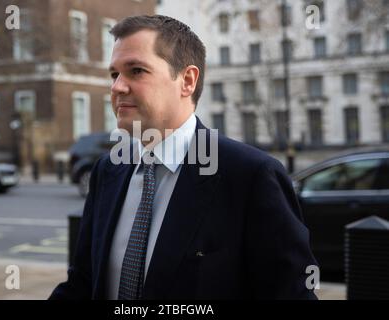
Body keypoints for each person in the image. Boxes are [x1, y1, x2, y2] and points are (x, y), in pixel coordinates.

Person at [50, 15, 318, 300]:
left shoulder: (251, 175)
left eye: (136, 71)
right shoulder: (108, 169)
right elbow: (82, 282)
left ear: (187, 81)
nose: (117, 87)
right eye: (114, 74)